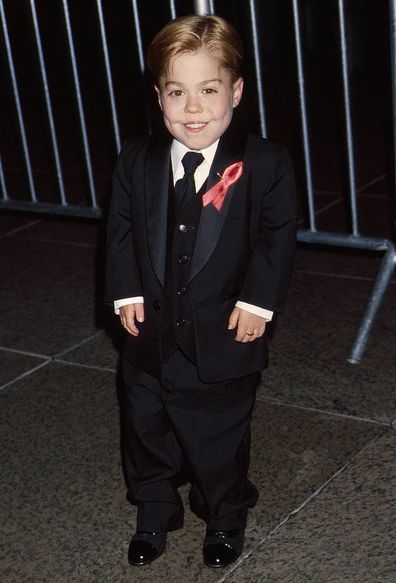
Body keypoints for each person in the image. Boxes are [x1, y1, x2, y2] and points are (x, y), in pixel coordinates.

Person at [105, 14, 296, 569]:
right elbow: (119, 230)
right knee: (146, 428)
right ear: (159, 97)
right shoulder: (137, 161)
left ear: (235, 91)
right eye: (177, 92)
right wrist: (125, 292)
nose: (192, 109)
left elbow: (276, 238)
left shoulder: (264, 163)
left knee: (218, 436)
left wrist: (258, 302)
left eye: (208, 91)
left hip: (223, 337)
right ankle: (155, 511)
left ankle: (225, 516)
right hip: (149, 340)